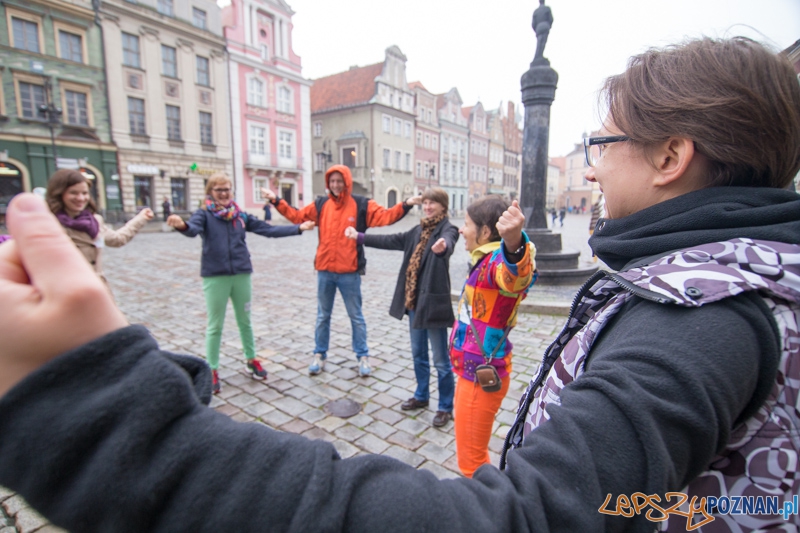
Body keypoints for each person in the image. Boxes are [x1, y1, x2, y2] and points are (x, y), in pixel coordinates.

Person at [1, 37, 799, 533]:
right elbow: (357, 232)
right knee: (391, 361)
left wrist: (116, 429)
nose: (591, 159)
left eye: (604, 141)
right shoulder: (710, 281)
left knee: (452, 415)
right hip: (423, 323)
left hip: (470, 348)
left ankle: (455, 436)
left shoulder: (704, 313)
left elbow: (526, 519)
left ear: (671, 157)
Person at [261, 164, 420, 377]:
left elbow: (386, 216)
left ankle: (363, 356)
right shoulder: (321, 204)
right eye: (332, 181)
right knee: (322, 316)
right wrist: (275, 200)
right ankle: (319, 354)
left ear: (346, 182)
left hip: (349, 272)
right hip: (325, 271)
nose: (335, 185)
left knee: (356, 316)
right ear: (328, 183)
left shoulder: (361, 205)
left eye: (339, 181)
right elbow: (297, 216)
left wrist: (406, 204)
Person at [167, 173, 314, 393]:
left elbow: (269, 230)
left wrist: (299, 228)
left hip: (241, 274)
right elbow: (192, 230)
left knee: (245, 321)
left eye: (227, 189)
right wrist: (181, 225)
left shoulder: (240, 215)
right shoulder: (204, 214)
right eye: (219, 190)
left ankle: (251, 359)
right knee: (215, 325)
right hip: (215, 276)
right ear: (211, 193)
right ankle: (212, 369)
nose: (224, 194)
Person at [345, 187, 459, 427]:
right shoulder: (417, 230)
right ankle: (421, 395)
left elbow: (450, 240)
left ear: (443, 206)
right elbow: (390, 240)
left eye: (433, 203)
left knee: (440, 359)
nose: (428, 207)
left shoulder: (446, 228)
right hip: (414, 302)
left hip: (433, 303)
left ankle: (445, 406)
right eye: (425, 203)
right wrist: (359, 237)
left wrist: (443, 246)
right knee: (418, 354)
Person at [450, 196, 536, 476]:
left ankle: (486, 513)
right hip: (474, 371)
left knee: (472, 464)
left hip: (479, 376)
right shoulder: (483, 260)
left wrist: (513, 245)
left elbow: (516, 277)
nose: (461, 230)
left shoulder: (496, 261)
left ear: (485, 231)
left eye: (466, 224)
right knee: (474, 454)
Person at [45, 169, 153, 285]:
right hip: (67, 292)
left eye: (84, 193)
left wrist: (141, 218)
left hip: (98, 290)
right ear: (59, 194)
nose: (80, 198)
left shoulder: (95, 221)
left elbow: (118, 239)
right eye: (73, 193)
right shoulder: (49, 224)